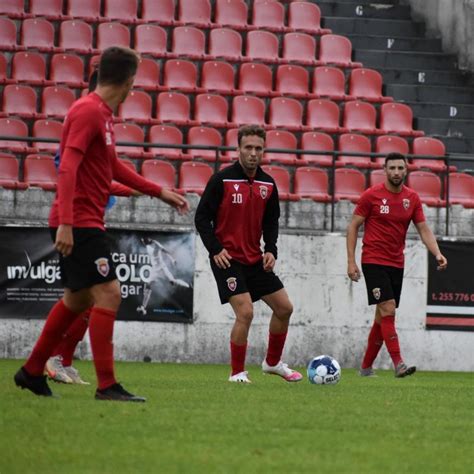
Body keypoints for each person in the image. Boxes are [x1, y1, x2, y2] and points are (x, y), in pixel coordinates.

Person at [14, 46, 189, 401]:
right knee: (109, 291)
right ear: (127, 81)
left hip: (84, 219)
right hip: (78, 221)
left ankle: (32, 371)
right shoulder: (88, 112)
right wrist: (65, 223)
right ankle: (107, 385)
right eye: (133, 82)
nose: (132, 89)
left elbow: (112, 168)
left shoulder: (102, 115)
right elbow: (67, 167)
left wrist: (158, 192)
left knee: (77, 300)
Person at [45, 69, 143, 386]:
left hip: (90, 223)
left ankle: (53, 362)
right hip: (78, 224)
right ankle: (54, 360)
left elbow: (102, 175)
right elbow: (71, 174)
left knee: (85, 301)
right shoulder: (84, 122)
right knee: (93, 299)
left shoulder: (100, 123)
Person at [195, 124, 302, 384]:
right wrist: (215, 249)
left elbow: (271, 221)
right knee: (245, 312)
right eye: (248, 148)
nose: (253, 153)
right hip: (227, 259)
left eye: (258, 148)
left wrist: (271, 249)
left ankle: (273, 363)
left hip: (255, 259)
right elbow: (201, 218)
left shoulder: (268, 183)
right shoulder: (221, 180)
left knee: (285, 308)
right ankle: (237, 373)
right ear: (238, 149)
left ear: (263, 150)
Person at [346, 152, 448, 377]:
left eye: (400, 168)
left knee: (382, 317)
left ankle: (365, 368)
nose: (396, 172)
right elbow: (353, 226)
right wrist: (351, 261)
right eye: (392, 168)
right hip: (373, 260)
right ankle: (398, 363)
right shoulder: (371, 196)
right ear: (385, 170)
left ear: (406, 170)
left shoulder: (411, 198)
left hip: (396, 263)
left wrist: (437, 253)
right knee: (388, 308)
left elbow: (423, 229)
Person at [136, 237, 191, 316]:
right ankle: (143, 307)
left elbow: (166, 251)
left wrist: (172, 260)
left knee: (173, 282)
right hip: (154, 270)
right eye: (145, 241)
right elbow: (143, 240)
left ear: (150, 240)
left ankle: (188, 286)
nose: (146, 242)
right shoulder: (147, 245)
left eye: (147, 240)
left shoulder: (156, 244)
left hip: (162, 268)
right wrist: (142, 240)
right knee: (148, 286)